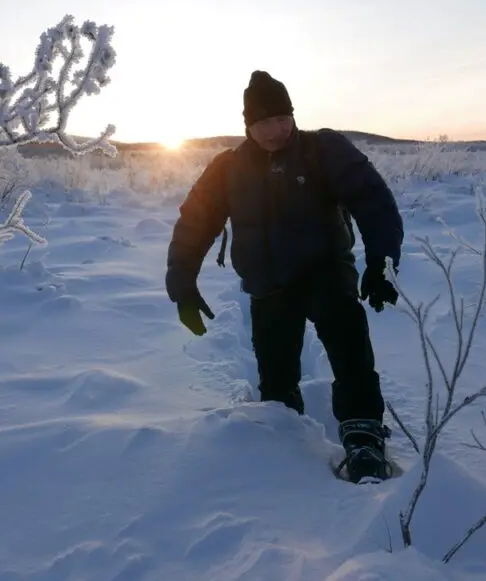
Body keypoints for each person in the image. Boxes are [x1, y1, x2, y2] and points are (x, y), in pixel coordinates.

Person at [164, 70, 404, 483]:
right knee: (275, 374)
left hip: (326, 272)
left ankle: (364, 436)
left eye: (282, 119)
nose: (275, 130)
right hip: (268, 284)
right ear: (248, 126)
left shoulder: (322, 149)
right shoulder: (228, 168)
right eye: (263, 123)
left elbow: (373, 200)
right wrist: (182, 283)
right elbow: (195, 222)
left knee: (352, 357)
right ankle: (283, 444)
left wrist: (381, 262)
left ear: (293, 116)